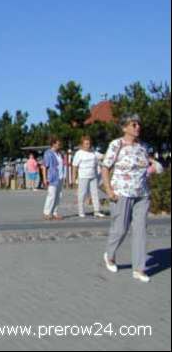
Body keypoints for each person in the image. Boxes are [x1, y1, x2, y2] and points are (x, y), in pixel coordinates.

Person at [102, 114, 152, 283]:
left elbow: (147, 166)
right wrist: (108, 189)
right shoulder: (117, 145)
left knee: (140, 230)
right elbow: (105, 167)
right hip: (122, 192)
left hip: (142, 194)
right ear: (125, 127)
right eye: (133, 124)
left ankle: (139, 268)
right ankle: (110, 254)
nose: (137, 127)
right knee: (121, 228)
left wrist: (154, 169)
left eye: (138, 124)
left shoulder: (143, 147)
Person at [72, 136, 106, 218]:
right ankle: (81, 211)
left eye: (89, 143)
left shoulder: (93, 152)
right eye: (86, 144)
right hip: (83, 176)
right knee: (82, 194)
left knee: (95, 193)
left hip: (93, 176)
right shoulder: (79, 153)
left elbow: (102, 156)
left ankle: (97, 211)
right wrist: (74, 177)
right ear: (82, 144)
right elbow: (74, 166)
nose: (88, 145)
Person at [42, 137, 65, 221]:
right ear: (53, 144)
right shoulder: (48, 153)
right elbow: (44, 166)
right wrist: (44, 178)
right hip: (52, 177)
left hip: (60, 177)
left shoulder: (59, 153)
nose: (59, 145)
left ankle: (55, 213)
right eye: (58, 144)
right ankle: (46, 213)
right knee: (51, 195)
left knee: (59, 196)